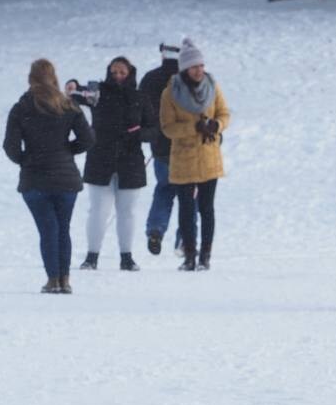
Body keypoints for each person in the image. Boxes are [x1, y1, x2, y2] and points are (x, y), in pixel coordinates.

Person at [4, 58, 94, 293]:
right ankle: (65, 279)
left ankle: (52, 279)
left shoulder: (21, 108)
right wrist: (66, 151)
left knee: (47, 230)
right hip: (66, 178)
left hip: (35, 179)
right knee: (63, 228)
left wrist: (27, 159)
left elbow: (10, 147)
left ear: (30, 78)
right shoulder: (68, 106)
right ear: (55, 77)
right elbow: (88, 139)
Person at [68, 56, 150, 272]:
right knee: (98, 211)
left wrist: (138, 134)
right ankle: (91, 256)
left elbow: (154, 129)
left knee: (127, 212)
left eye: (122, 72)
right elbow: (76, 94)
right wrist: (73, 83)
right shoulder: (98, 93)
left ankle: (127, 257)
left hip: (131, 160)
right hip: (100, 158)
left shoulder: (140, 97)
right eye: (114, 72)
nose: (117, 76)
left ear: (130, 73)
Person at [158, 37, 230, 271]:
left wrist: (215, 126)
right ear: (185, 68)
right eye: (194, 66)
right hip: (184, 158)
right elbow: (168, 127)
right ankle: (189, 254)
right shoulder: (170, 93)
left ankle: (205, 256)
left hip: (209, 156)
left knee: (207, 208)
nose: (199, 70)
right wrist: (193, 128)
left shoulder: (213, 85)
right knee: (186, 209)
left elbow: (224, 114)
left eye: (201, 66)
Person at [140, 42, 181, 258]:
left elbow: (139, 110)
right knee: (189, 195)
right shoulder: (190, 79)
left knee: (164, 189)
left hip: (160, 146)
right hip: (186, 148)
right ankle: (184, 238)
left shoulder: (149, 79)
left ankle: (155, 229)